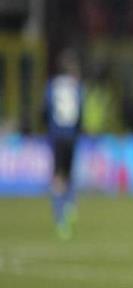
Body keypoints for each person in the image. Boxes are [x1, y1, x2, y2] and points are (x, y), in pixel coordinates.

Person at [43, 52, 84, 240]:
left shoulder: (51, 85)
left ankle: (60, 218)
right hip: (71, 135)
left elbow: (46, 109)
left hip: (56, 134)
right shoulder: (76, 86)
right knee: (68, 173)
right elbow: (80, 110)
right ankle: (70, 206)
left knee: (58, 176)